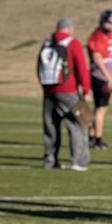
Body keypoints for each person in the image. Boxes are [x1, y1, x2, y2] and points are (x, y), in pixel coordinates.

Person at [38, 17, 91, 171]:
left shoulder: (47, 43)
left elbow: (38, 66)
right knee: (80, 123)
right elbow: (81, 68)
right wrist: (86, 90)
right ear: (69, 29)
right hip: (68, 90)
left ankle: (50, 160)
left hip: (49, 90)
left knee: (51, 127)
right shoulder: (73, 43)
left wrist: (45, 87)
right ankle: (79, 162)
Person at [87, 9, 112, 149]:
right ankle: (97, 140)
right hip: (100, 77)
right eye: (109, 23)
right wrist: (108, 77)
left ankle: (91, 137)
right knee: (101, 109)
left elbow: (111, 58)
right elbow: (97, 58)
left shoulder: (109, 36)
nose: (111, 26)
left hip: (107, 76)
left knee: (98, 109)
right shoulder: (98, 36)